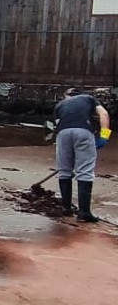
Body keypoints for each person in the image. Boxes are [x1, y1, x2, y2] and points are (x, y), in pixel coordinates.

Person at [53, 88, 111, 222]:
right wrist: (104, 136)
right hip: (83, 131)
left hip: (62, 133)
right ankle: (84, 212)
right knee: (85, 171)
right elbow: (104, 114)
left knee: (64, 171)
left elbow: (58, 124)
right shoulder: (88, 98)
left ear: (65, 95)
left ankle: (66, 209)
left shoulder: (59, 105)